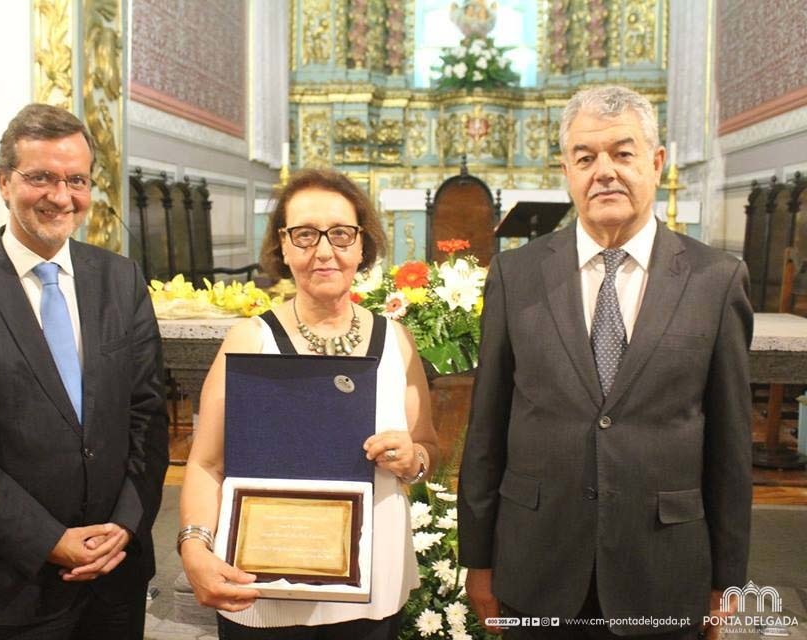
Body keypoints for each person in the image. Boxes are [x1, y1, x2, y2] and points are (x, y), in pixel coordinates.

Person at [458, 85, 753, 640]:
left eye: (622, 153)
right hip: (537, 560)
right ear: (566, 170)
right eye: (586, 157)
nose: (604, 172)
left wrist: (728, 579)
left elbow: (731, 445)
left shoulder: (715, 279)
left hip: (664, 567)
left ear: (656, 162)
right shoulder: (515, 275)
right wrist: (478, 560)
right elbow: (487, 429)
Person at [0, 103, 169, 639]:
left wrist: (125, 524)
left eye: (76, 180)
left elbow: (147, 416)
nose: (61, 196)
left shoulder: (120, 279)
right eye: (41, 177)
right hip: (14, 582)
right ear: (5, 181)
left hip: (116, 573)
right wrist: (50, 540)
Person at [178, 168, 438, 639]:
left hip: (372, 583)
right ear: (283, 244)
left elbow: (426, 448)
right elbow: (205, 464)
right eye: (304, 234)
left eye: (340, 234)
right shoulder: (250, 340)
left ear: (362, 244)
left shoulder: (396, 341)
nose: (323, 250)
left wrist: (412, 459)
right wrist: (194, 547)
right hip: (264, 587)